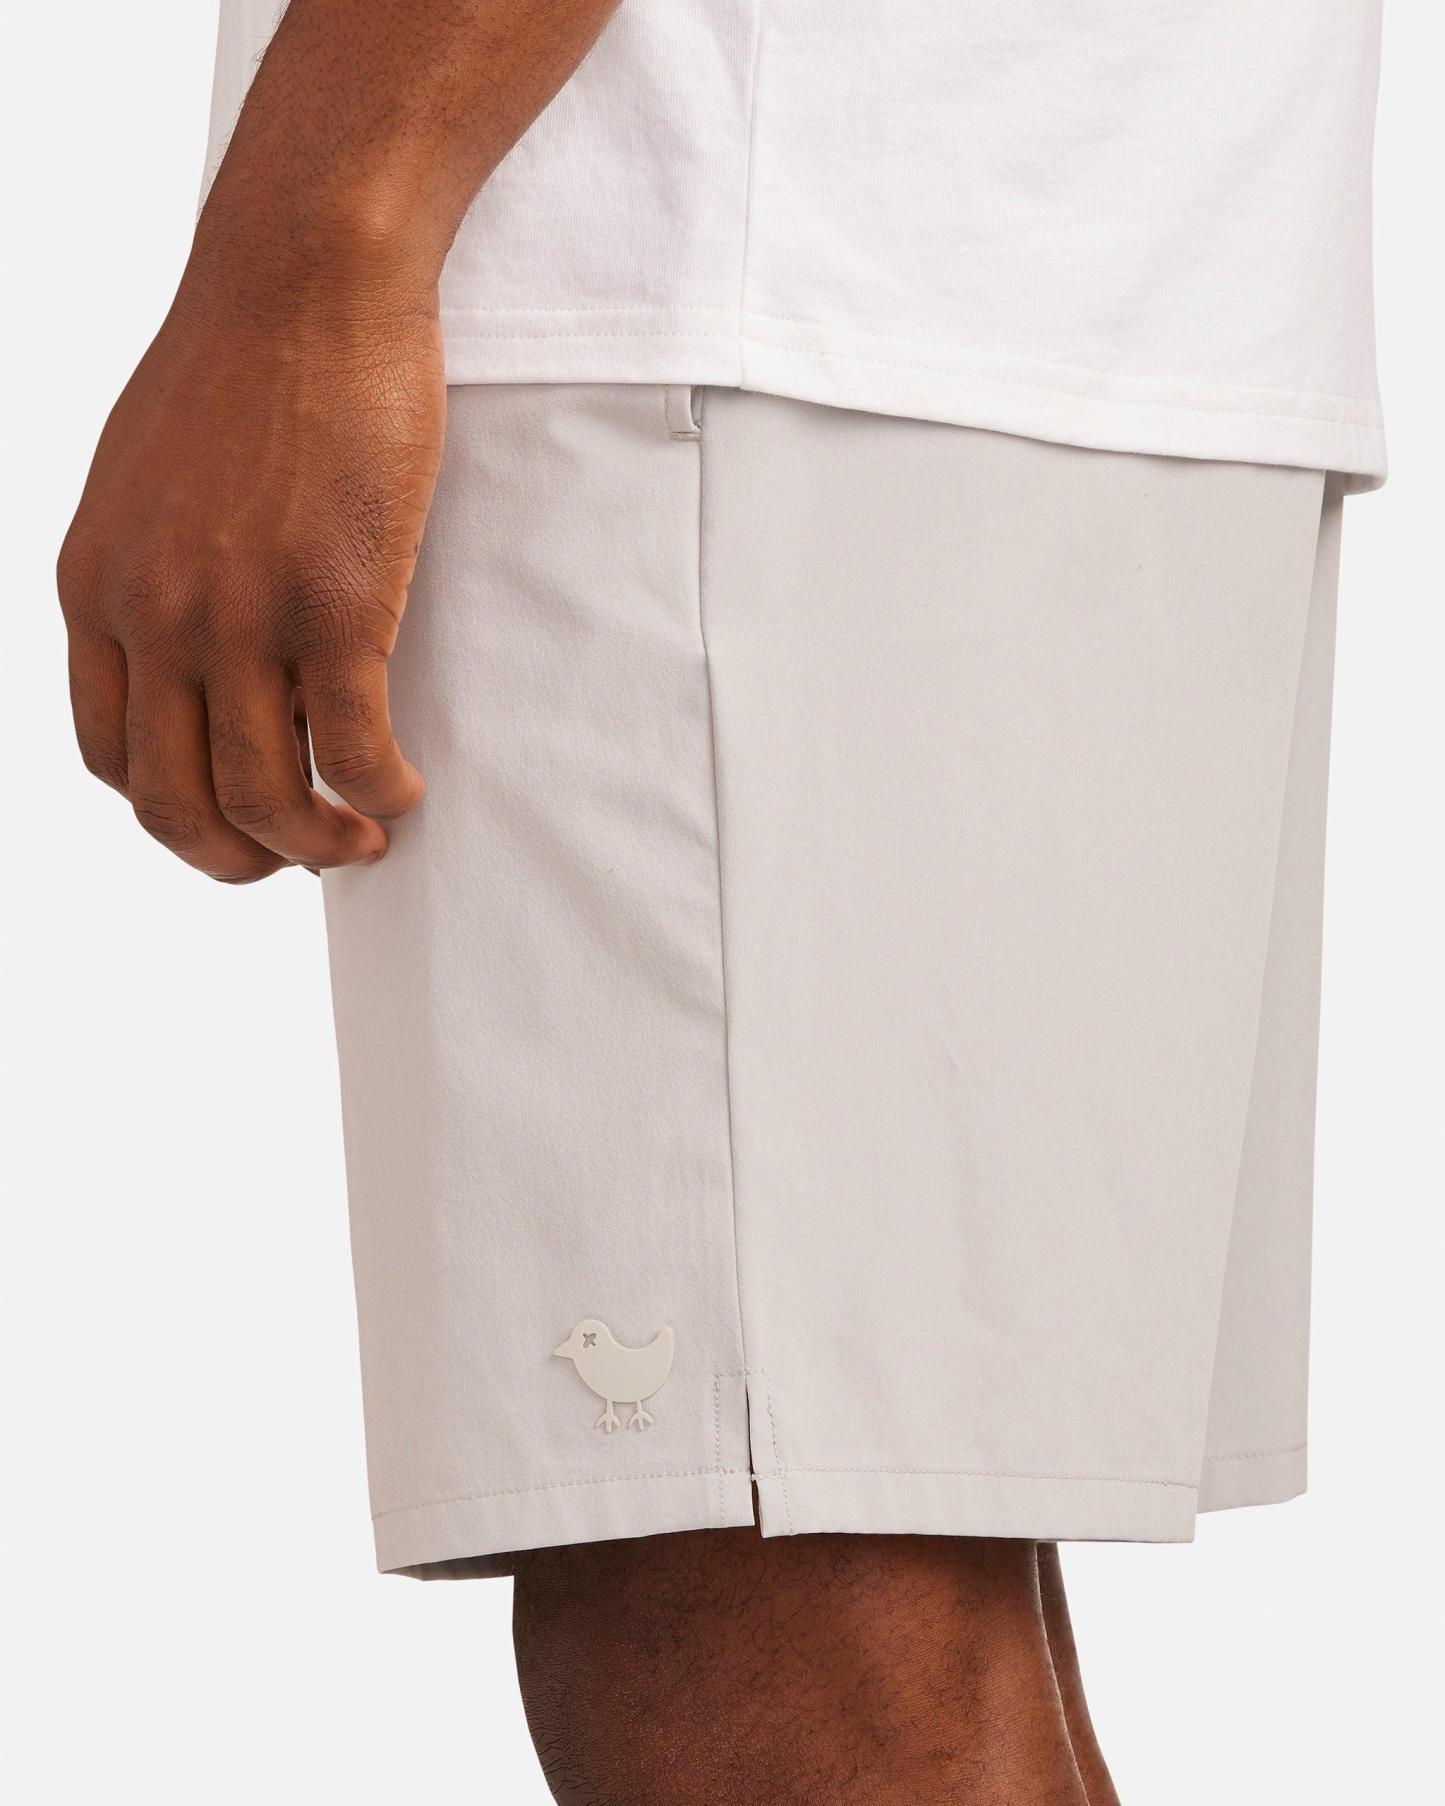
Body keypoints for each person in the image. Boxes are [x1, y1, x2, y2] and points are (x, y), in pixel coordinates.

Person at [57, 2, 1385, 1798]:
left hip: (716, 277)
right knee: (884, 1608)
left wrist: (313, 253)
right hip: (1000, 268)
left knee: (746, 1607)